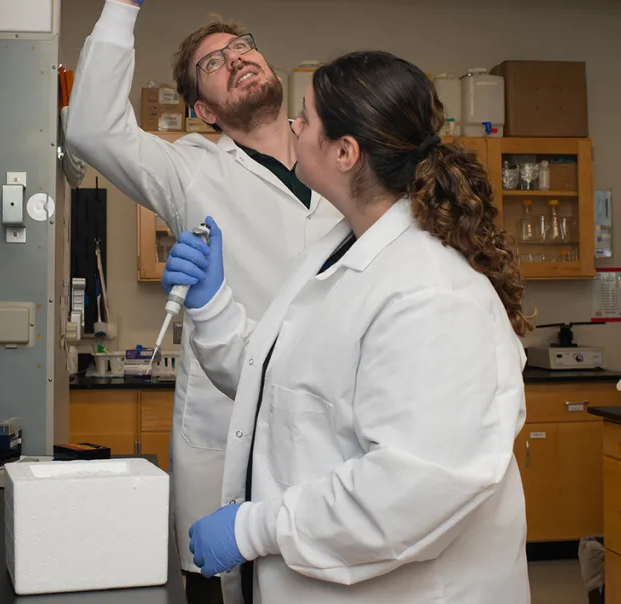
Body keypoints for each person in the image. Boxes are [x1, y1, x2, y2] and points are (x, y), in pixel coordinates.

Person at [161, 51, 532, 604]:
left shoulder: (431, 294)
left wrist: (255, 529)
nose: (292, 126)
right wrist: (213, 305)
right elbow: (283, 389)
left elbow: (410, 490)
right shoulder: (338, 252)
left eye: (305, 118)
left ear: (345, 151)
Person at [64, 0, 341, 601]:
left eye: (243, 48)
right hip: (231, 434)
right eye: (214, 64)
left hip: (332, 421)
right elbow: (90, 129)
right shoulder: (189, 170)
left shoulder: (340, 153)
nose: (236, 59)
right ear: (202, 110)